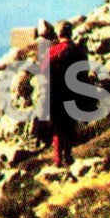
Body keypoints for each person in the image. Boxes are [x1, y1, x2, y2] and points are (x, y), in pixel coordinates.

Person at [45, 22, 86, 167]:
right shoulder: (77, 50)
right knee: (69, 126)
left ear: (58, 33)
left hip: (54, 95)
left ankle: (57, 160)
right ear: (71, 33)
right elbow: (83, 72)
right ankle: (68, 157)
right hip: (72, 93)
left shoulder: (51, 52)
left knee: (57, 129)